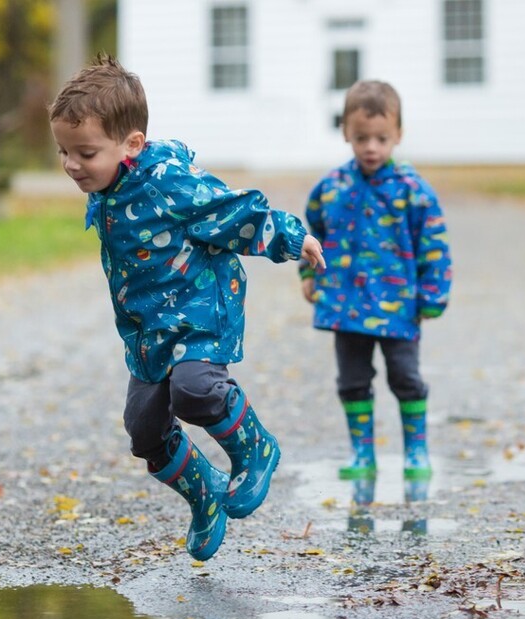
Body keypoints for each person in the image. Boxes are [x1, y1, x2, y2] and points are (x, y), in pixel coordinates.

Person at [48, 55, 325, 561]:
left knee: (195, 390)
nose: (71, 164)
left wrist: (292, 236)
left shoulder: (169, 182)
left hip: (199, 313)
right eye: (64, 151)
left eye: (84, 152)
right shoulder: (108, 187)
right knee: (144, 430)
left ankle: (254, 447)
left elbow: (233, 211)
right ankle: (204, 496)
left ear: (132, 144)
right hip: (148, 331)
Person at [300, 80, 451, 481]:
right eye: (362, 137)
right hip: (346, 307)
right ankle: (362, 453)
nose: (372, 147)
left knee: (405, 377)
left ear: (398, 135)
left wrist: (434, 293)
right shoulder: (331, 188)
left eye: (382, 138)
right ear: (346, 132)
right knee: (352, 380)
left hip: (399, 306)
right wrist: (308, 274)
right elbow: (310, 234)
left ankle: (416, 450)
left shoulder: (412, 190)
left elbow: (433, 242)